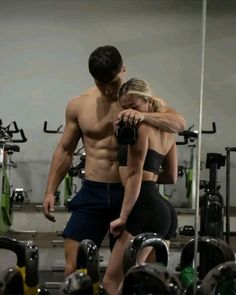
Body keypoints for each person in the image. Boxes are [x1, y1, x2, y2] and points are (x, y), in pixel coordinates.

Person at [42, 45, 186, 278]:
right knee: (74, 268)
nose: (108, 90)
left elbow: (178, 123)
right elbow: (65, 150)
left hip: (129, 194)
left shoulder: (141, 102)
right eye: (101, 84)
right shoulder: (79, 105)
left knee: (133, 273)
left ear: (123, 71)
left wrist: (143, 116)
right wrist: (50, 190)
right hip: (93, 192)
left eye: (113, 82)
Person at [103, 78, 178, 295]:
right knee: (149, 284)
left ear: (147, 101)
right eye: (124, 107)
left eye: (133, 106)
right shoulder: (167, 132)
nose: (128, 112)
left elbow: (135, 174)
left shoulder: (141, 127)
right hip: (163, 211)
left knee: (112, 283)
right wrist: (150, 177)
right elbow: (171, 176)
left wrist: (124, 217)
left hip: (143, 207)